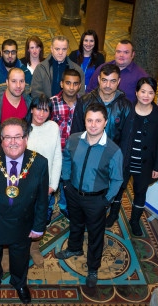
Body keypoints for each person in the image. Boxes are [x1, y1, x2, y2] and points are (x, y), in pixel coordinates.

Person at [0, 117, 49, 305]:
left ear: (26, 139)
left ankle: (19, 283)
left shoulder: (39, 163)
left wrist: (39, 226)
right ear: (1, 139)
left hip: (22, 223)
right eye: (7, 137)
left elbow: (42, 200)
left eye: (17, 137)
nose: (13, 142)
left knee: (20, 257)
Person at [55, 103, 123, 288]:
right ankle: (74, 248)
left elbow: (117, 180)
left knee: (95, 234)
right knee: (75, 224)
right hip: (74, 194)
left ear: (105, 122)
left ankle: (93, 268)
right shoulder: (75, 139)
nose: (93, 125)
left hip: (97, 200)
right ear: (84, 121)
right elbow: (66, 158)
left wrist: (106, 200)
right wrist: (67, 182)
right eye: (89, 120)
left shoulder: (113, 150)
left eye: (98, 121)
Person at [105, 77, 158, 236]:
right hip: (124, 160)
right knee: (118, 189)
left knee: (140, 192)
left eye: (151, 92)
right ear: (136, 92)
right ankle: (113, 215)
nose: (146, 95)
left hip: (146, 164)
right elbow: (117, 135)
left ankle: (134, 221)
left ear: (155, 94)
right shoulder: (127, 110)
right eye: (143, 91)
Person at [25, 94, 62, 266]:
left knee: (40, 218)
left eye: (45, 109)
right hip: (23, 185)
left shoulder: (53, 127)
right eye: (38, 108)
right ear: (31, 109)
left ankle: (34, 249)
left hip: (44, 186)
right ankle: (8, 250)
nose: (41, 113)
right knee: (17, 218)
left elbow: (57, 157)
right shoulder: (22, 127)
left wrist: (53, 185)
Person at [71, 63, 132, 146]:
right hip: (86, 152)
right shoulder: (84, 102)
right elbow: (76, 132)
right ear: (99, 79)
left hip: (112, 155)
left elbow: (126, 139)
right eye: (104, 80)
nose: (108, 85)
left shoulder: (126, 106)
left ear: (118, 81)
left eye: (112, 81)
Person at [50, 68, 83, 219]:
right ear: (62, 83)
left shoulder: (84, 104)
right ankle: (48, 208)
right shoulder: (52, 103)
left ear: (79, 86)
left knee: (68, 181)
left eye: (75, 84)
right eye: (68, 83)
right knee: (51, 181)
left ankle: (64, 205)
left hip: (75, 153)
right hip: (55, 151)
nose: (71, 87)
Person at [86, 39, 148, 103]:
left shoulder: (141, 76)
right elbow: (89, 91)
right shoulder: (102, 68)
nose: (121, 55)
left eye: (126, 52)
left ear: (133, 54)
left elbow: (145, 102)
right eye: (118, 51)